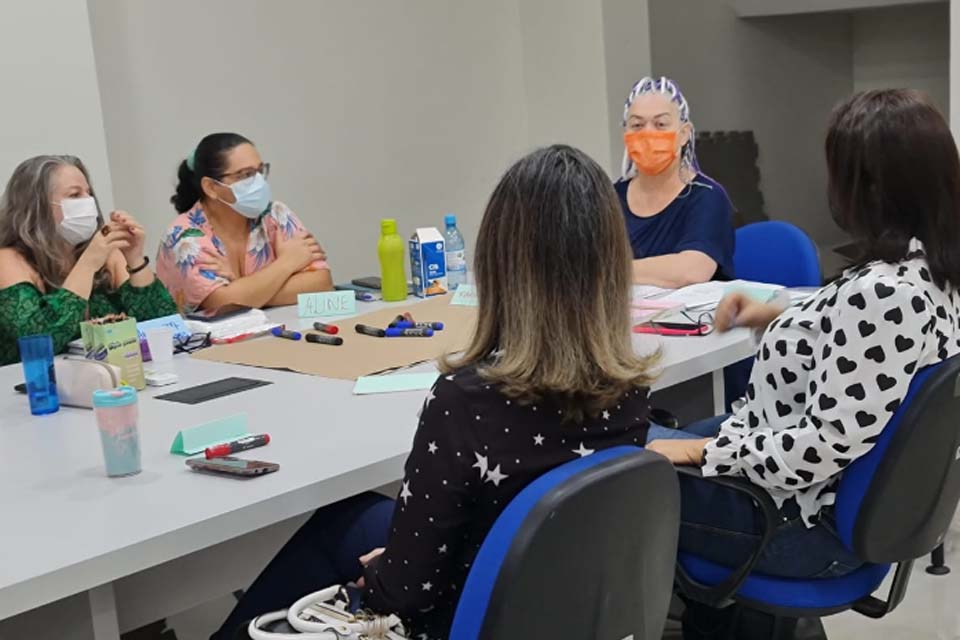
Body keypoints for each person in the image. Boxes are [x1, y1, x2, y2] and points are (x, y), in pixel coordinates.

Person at [211, 145, 657, 640]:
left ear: (499, 264)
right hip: (561, 606)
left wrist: (382, 571)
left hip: (461, 618)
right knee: (351, 515)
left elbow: (405, 594)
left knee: (337, 534)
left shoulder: (465, 402)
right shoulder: (630, 387)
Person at [646, 89, 960, 637]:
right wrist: (776, 313)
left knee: (615, 481)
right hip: (816, 492)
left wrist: (700, 450)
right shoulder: (929, 270)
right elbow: (860, 336)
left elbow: (824, 444)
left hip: (798, 520)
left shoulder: (885, 295)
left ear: (869, 186)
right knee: (641, 446)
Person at [0, 155, 177, 366]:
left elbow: (163, 327)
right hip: (33, 390)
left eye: (89, 193)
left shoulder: (109, 256)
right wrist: (88, 264)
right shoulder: (9, 260)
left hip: (111, 379)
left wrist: (135, 259)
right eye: (75, 195)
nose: (88, 202)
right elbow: (41, 339)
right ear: (37, 207)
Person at [156, 133, 332, 315]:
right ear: (211, 187)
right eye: (246, 175)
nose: (258, 182)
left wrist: (242, 290)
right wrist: (287, 263)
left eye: (260, 171)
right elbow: (221, 304)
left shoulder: (274, 214)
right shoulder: (185, 236)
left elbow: (321, 282)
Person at [617, 76, 735, 288]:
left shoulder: (707, 197)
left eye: (660, 124)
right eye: (637, 125)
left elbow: (692, 271)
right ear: (625, 134)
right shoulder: (608, 199)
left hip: (697, 319)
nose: (648, 133)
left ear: (684, 134)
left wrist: (610, 269)